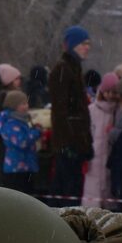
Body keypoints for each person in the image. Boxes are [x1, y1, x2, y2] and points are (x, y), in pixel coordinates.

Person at [49, 26, 95, 206]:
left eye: (88, 44)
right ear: (72, 45)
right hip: (68, 145)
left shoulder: (74, 69)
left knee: (73, 191)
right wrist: (69, 143)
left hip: (75, 143)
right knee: (65, 192)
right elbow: (61, 112)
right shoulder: (62, 70)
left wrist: (85, 142)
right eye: (83, 44)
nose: (87, 47)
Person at [0, 90, 43, 196]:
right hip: (16, 168)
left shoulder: (22, 121)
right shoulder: (11, 124)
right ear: (14, 106)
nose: (26, 106)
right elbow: (22, 142)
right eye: (23, 104)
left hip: (27, 166)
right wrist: (37, 132)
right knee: (19, 196)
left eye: (26, 103)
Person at [84, 72, 122, 208]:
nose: (110, 95)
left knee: (109, 190)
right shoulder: (91, 110)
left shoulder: (118, 111)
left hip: (111, 158)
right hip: (94, 158)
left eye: (114, 92)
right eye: (107, 92)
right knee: (92, 192)